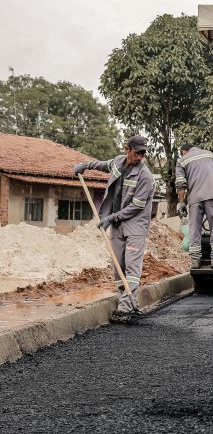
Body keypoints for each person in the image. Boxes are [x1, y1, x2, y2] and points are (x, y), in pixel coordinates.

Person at [74, 135, 154, 323]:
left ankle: (125, 308)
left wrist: (110, 217)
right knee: (118, 268)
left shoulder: (145, 177)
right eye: (137, 153)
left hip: (135, 224)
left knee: (132, 268)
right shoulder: (118, 161)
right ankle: (128, 300)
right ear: (127, 149)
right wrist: (85, 165)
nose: (140, 157)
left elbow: (136, 207)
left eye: (143, 154)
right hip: (117, 223)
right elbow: (103, 165)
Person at [175, 144, 213, 269]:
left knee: (194, 229)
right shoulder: (210, 154)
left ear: (183, 151)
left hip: (195, 198)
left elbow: (180, 185)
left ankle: (195, 261)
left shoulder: (182, 160)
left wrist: (182, 203)